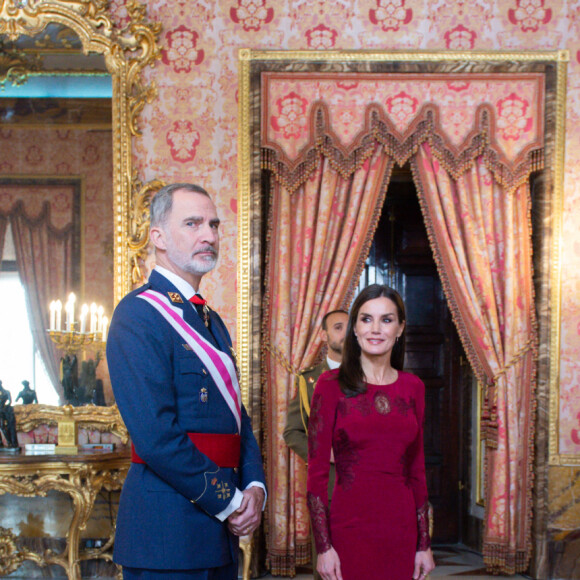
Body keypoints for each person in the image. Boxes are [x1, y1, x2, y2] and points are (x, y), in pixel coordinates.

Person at [107, 183, 266, 579]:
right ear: (157, 237)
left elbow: (235, 417)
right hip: (167, 534)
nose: (209, 235)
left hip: (218, 534)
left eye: (213, 224)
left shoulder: (211, 320)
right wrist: (230, 501)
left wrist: (255, 487)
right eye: (192, 223)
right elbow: (156, 436)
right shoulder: (137, 316)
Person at [307, 284, 435, 580]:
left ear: (400, 328)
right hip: (348, 527)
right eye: (366, 319)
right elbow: (316, 476)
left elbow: (417, 471)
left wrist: (424, 544)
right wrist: (324, 548)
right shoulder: (329, 385)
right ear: (354, 328)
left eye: (386, 320)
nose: (375, 329)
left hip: (401, 529)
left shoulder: (413, 387)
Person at [283, 310, 348, 579]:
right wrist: (322, 454)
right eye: (338, 327)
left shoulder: (374, 375)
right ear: (325, 335)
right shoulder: (309, 380)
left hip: (370, 481)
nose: (345, 333)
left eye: (350, 327)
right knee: (329, 561)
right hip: (329, 481)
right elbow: (292, 432)